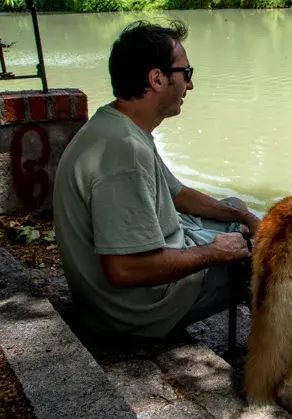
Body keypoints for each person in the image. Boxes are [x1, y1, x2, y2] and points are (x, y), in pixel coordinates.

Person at [52, 19, 261, 338]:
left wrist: (241, 215)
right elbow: (124, 269)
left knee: (233, 208)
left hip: (138, 284)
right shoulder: (123, 153)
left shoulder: (120, 126)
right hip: (137, 310)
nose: (190, 85)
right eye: (186, 74)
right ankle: (277, 367)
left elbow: (177, 194)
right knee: (270, 259)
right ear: (157, 78)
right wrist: (214, 253)